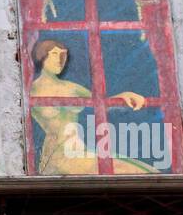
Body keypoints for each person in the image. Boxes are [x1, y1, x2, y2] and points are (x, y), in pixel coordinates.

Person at [29, 38, 156, 175]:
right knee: (132, 172)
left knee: (144, 172)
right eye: (55, 54)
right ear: (42, 55)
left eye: (63, 55)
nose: (60, 60)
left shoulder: (70, 87)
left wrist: (124, 96)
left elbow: (101, 104)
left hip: (77, 152)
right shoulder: (32, 90)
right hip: (58, 158)